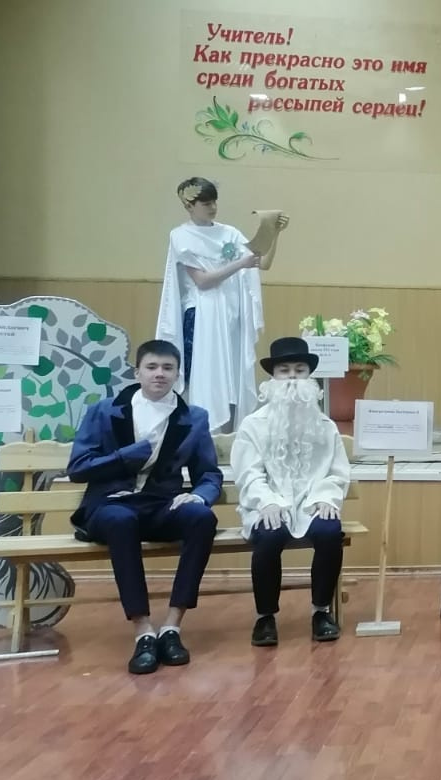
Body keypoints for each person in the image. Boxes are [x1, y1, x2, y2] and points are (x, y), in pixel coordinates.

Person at [65, 339, 221, 675]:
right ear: (137, 372)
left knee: (202, 518)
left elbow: (208, 473)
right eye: (151, 367)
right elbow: (78, 468)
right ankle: (143, 632)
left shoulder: (193, 418)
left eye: (168, 368)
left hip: (160, 505)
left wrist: (200, 495)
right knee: (121, 521)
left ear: (177, 375)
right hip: (110, 505)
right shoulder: (104, 410)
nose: (159, 374)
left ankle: (172, 627)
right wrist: (125, 457)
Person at [231, 337, 351, 648]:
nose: (293, 377)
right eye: (285, 371)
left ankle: (321, 611)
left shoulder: (325, 425)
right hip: (267, 503)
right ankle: (265, 617)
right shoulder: (253, 425)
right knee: (270, 535)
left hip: (312, 503)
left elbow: (336, 471)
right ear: (273, 377)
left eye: (300, 370)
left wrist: (325, 497)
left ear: (310, 377)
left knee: (329, 531)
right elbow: (248, 473)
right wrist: (266, 501)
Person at [154, 177, 273, 432]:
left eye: (214, 202)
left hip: (230, 315)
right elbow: (203, 281)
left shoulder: (229, 233)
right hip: (201, 315)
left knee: (232, 378)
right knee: (206, 375)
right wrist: (240, 264)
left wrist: (274, 233)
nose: (213, 208)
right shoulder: (181, 235)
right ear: (189, 206)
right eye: (206, 203)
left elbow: (261, 262)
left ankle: (229, 436)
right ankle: (204, 434)